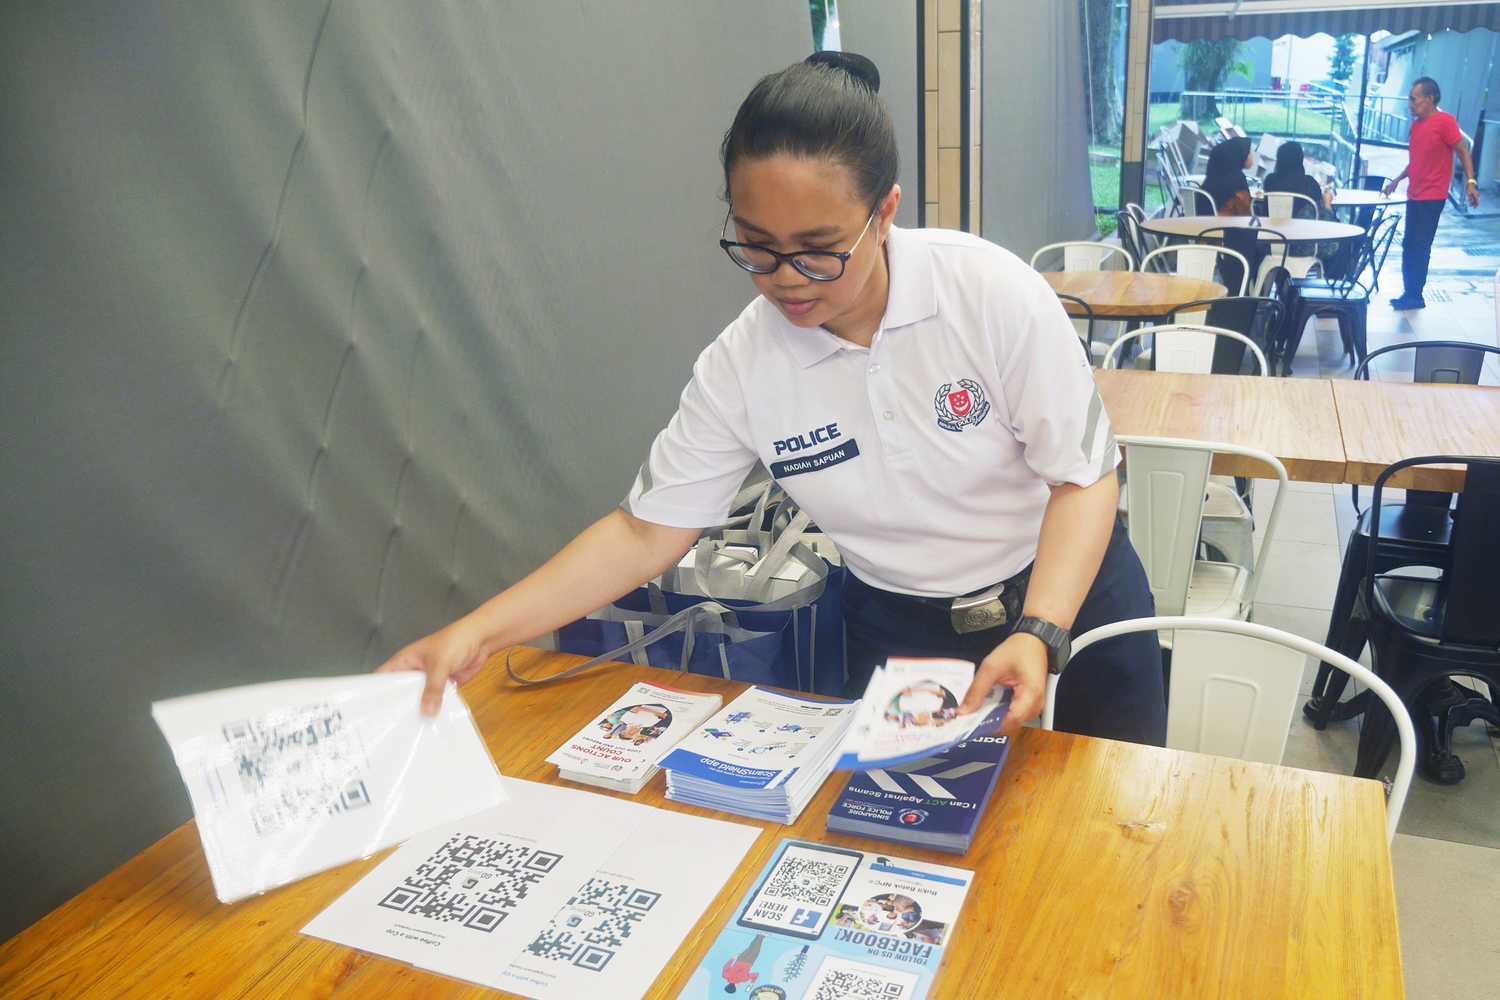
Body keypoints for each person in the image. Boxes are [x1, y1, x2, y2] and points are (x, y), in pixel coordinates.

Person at [376, 51, 1165, 747]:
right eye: (755, 246)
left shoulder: (988, 294)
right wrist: (474, 632)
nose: (785, 278)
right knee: (925, 859)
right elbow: (643, 532)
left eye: (819, 250)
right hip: (900, 629)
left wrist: (1041, 630)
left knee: (1110, 843)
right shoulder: (744, 366)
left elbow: (1085, 477)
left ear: (884, 212)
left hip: (1069, 600)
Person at [1382, 77, 1481, 310]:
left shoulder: (1444, 122)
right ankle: (1409, 292)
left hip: (1432, 196)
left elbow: (1463, 151)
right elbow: (1416, 161)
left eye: (1413, 99)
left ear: (1430, 98)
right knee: (1409, 244)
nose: (1410, 104)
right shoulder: (1417, 125)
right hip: (1414, 194)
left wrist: (1471, 182)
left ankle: (1415, 295)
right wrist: (1397, 179)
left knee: (1420, 245)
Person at [1200, 136, 1254, 217]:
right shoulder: (1237, 181)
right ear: (1239, 155)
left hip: (1206, 225)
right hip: (1228, 226)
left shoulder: (1212, 177)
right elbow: (1245, 215)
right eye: (1249, 152)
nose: (1252, 156)